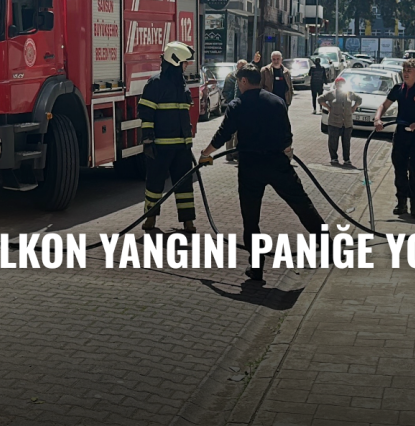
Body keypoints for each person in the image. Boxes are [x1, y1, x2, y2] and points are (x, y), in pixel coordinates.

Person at [200, 67, 325, 282]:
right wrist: (284, 151)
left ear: (245, 81)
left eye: (239, 82)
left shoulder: (237, 105)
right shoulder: (277, 102)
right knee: (302, 205)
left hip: (250, 166)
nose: (239, 86)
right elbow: (287, 135)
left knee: (251, 218)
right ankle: (328, 246)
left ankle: (256, 267)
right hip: (278, 163)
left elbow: (223, 134)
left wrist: (205, 154)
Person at [139, 41, 198, 233]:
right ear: (175, 61)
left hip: (181, 146)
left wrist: (188, 141)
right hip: (160, 146)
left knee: (184, 186)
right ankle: (150, 219)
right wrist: (148, 140)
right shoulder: (155, 83)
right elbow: (146, 113)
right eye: (185, 62)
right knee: (154, 185)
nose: (187, 65)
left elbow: (184, 115)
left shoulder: (182, 84)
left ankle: (188, 222)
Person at [374, 58, 415, 217]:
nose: (406, 74)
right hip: (402, 133)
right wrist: (378, 119)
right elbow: (384, 105)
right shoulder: (398, 89)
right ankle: (401, 203)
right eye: (404, 71)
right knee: (399, 169)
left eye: (409, 71)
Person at [318, 77, 362, 165]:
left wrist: (354, 107)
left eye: (342, 84)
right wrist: (328, 107)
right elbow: (320, 99)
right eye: (338, 84)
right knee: (333, 141)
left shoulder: (349, 94)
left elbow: (359, 99)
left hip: (347, 122)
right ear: (336, 85)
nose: (340, 85)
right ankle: (334, 158)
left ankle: (346, 159)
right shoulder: (331, 94)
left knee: (346, 142)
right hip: (334, 122)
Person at [220, 60, 248, 163]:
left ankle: (236, 152)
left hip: (243, 106)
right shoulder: (231, 77)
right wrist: (231, 102)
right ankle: (228, 153)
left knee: (239, 131)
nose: (241, 69)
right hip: (232, 106)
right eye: (240, 67)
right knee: (230, 130)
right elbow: (225, 91)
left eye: (243, 67)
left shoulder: (246, 78)